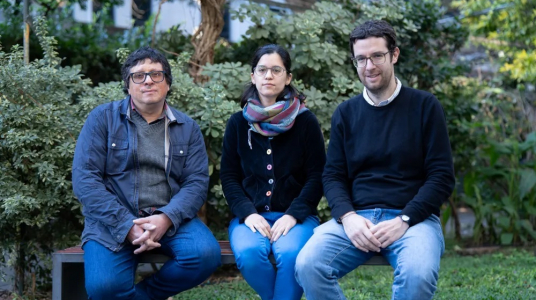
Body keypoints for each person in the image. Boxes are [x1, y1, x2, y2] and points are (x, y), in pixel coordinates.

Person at [295, 20, 455, 300]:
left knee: (417, 275)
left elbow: (441, 176)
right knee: (308, 264)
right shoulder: (346, 113)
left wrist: (405, 218)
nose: (369, 66)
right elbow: (332, 175)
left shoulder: (425, 106)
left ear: (394, 54)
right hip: (357, 218)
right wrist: (348, 217)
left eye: (377, 56)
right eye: (361, 59)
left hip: (413, 220)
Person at [72, 46, 221, 300]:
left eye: (156, 74)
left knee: (204, 256)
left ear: (168, 83)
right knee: (104, 288)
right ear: (128, 85)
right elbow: (85, 179)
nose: (148, 80)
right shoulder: (102, 119)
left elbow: (196, 182)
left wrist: (166, 218)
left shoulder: (187, 127)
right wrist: (125, 225)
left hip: (169, 218)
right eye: (138, 75)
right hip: (112, 221)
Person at [220, 44, 326, 300]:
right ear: (252, 75)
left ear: (288, 77)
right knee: (248, 254)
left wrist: (293, 214)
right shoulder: (237, 123)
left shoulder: (305, 121)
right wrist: (247, 213)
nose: (268, 76)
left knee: (291, 255)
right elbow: (229, 177)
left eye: (276, 70)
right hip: (252, 217)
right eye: (262, 70)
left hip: (296, 217)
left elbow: (317, 175)